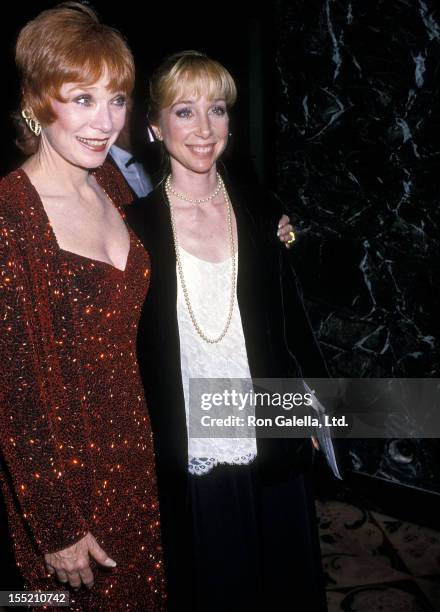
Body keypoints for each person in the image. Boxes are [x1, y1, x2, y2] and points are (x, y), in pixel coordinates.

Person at [125, 51, 329, 611]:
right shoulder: (134, 227)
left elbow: (289, 322)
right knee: (219, 585)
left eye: (217, 110)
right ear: (154, 125)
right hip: (192, 437)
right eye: (185, 112)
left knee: (285, 583)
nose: (204, 128)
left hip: (269, 426)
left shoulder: (264, 213)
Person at [0, 4, 165, 610]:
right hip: (64, 481)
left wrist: (262, 226)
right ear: (39, 100)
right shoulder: (10, 216)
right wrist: (55, 525)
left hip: (136, 456)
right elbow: (12, 390)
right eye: (82, 98)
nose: (105, 122)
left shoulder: (115, 188)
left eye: (116, 99)